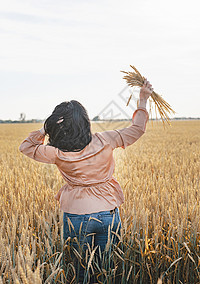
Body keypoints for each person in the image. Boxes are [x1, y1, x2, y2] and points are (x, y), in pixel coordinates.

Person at [19, 79, 153, 282]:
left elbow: (26, 147)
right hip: (109, 212)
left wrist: (45, 129)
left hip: (76, 216)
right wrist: (142, 100)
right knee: (106, 268)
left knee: (79, 272)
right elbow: (137, 129)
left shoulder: (57, 153)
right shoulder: (106, 139)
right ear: (86, 122)